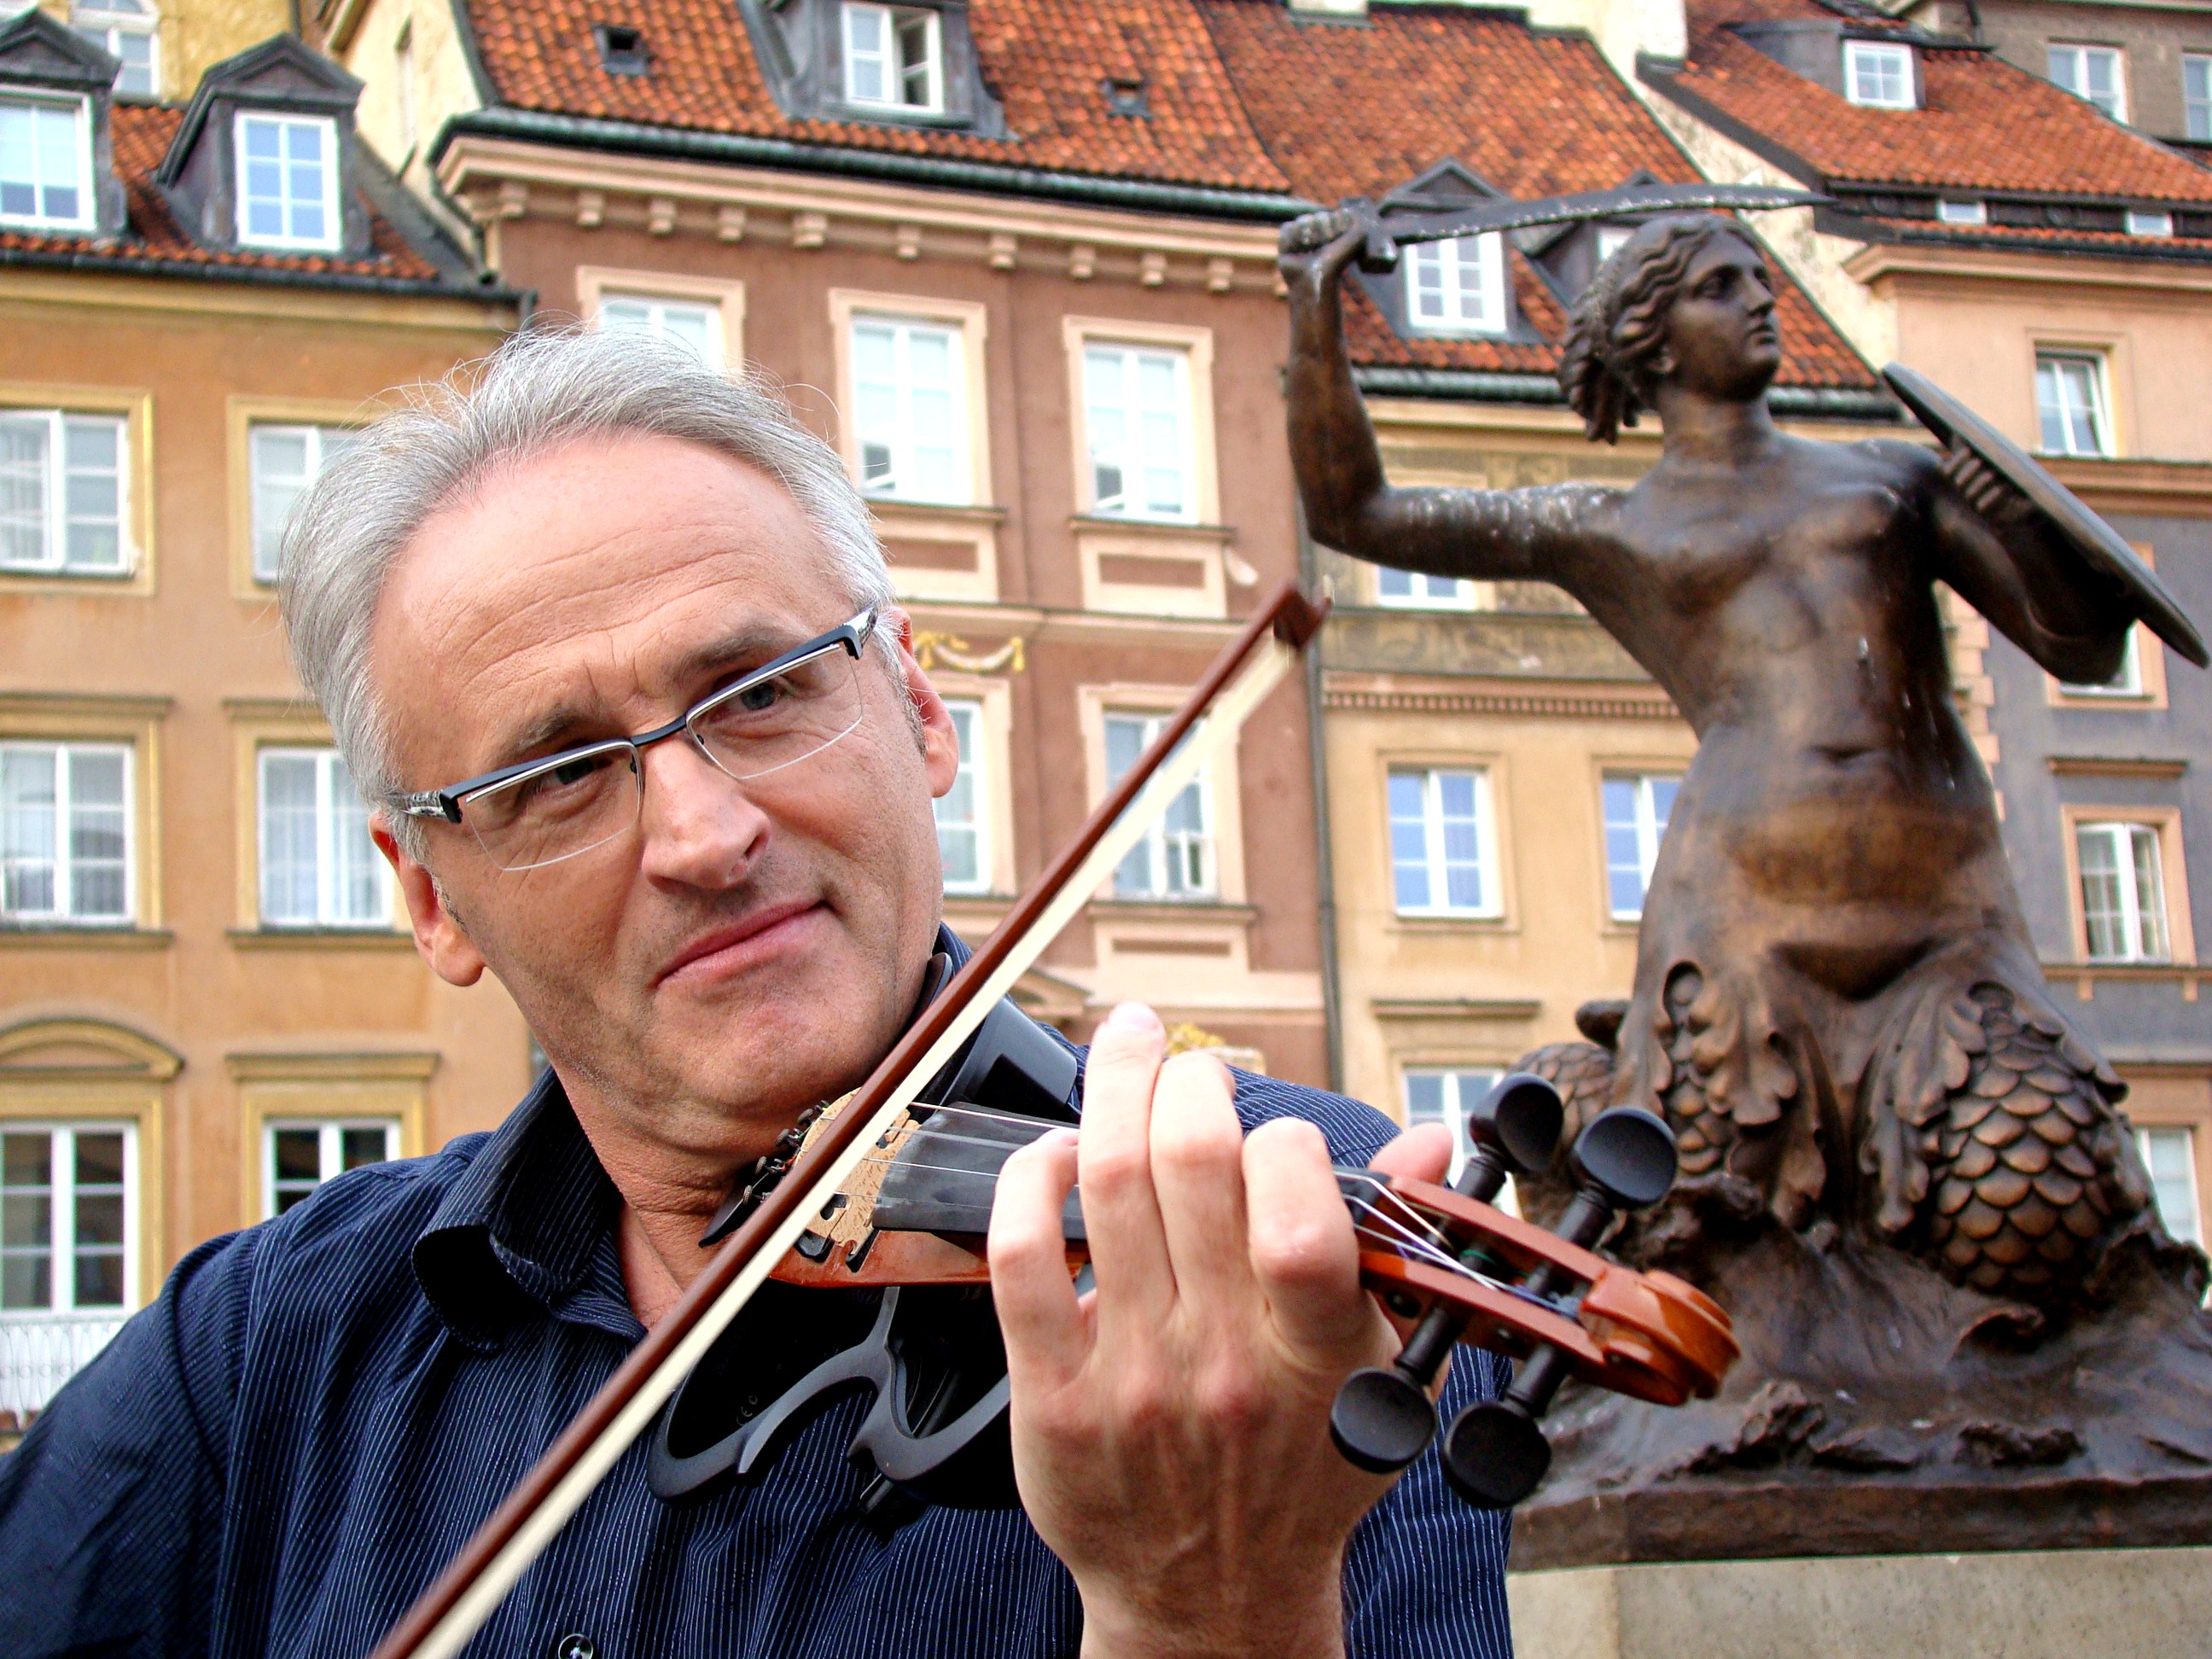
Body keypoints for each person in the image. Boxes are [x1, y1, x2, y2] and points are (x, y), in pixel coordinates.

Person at [0, 329, 1513, 1659]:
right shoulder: (260, 1343)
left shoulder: (1288, 1259)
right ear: (428, 895)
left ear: (917, 707)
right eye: (558, 773)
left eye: (763, 692)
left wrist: (1204, 1616)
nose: (706, 835)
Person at [1278, 207, 2157, 1302]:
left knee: (2034, 1200)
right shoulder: (1609, 524)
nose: (1759, 299)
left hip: (1942, 923)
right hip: (1740, 925)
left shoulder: (1889, 480)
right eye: (1721, 286)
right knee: (1715, 1230)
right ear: (1651, 338)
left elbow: (2075, 640)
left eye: (1761, 279)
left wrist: (2020, 521)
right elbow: (1357, 511)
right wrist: (1316, 307)